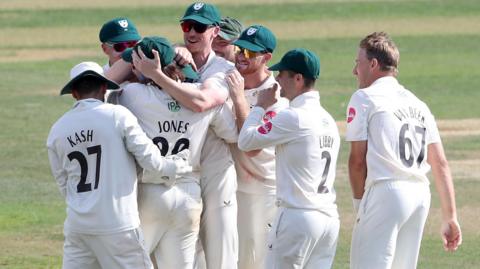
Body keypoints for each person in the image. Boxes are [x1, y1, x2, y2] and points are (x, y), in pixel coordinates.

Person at [46, 61, 191, 268]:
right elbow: (151, 161)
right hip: (118, 224)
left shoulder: (57, 130)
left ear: (74, 93)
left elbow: (64, 184)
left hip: (78, 225)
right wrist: (177, 167)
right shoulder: (117, 115)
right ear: (104, 88)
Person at [132, 3, 239, 269]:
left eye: (199, 27)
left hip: (209, 176)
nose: (190, 32)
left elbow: (202, 102)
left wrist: (155, 75)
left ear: (215, 31)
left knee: (217, 257)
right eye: (186, 26)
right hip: (187, 185)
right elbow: (234, 131)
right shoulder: (175, 57)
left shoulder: (222, 69)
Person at [346, 32, 462, 269]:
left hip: (386, 193)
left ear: (373, 64)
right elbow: (440, 163)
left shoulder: (365, 97)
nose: (354, 71)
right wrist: (450, 216)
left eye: (358, 63)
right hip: (419, 196)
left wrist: (360, 204)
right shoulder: (417, 103)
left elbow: (357, 161)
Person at [238, 48, 340, 268]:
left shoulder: (293, 117)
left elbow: (246, 141)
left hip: (297, 218)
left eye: (282, 74)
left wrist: (260, 107)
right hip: (328, 220)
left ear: (298, 78)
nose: (277, 79)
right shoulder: (328, 119)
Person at [226, 25, 288, 269]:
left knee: (259, 261)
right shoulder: (231, 80)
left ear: (267, 58)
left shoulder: (275, 96)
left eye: (251, 53)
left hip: (264, 190)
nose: (242, 56)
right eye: (240, 49)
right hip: (232, 189)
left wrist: (239, 99)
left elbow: (251, 146)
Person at [99, 17, 141, 103]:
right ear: (105, 49)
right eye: (120, 46)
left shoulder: (150, 72)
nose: (128, 51)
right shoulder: (100, 79)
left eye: (132, 44)